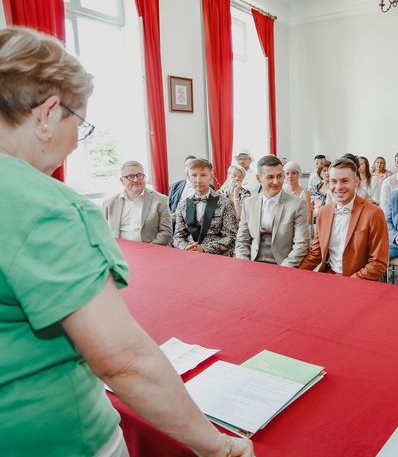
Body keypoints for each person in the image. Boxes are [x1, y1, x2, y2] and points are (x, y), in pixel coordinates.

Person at [0, 27, 252, 457]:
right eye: (79, 122)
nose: (78, 139)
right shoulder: (48, 207)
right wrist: (219, 447)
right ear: (48, 113)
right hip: (55, 437)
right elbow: (123, 360)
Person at [299, 158, 389, 281]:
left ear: (356, 181)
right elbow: (316, 254)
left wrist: (349, 283)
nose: (338, 187)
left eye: (345, 181)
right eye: (333, 181)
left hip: (360, 281)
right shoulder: (323, 212)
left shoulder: (374, 214)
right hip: (329, 277)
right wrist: (294, 273)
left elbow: (378, 263)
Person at [235, 156, 309, 267]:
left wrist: (284, 268)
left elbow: (302, 244)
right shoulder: (249, 203)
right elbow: (242, 240)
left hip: (284, 265)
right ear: (258, 178)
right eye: (270, 177)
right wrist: (244, 264)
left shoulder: (297, 204)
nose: (276, 181)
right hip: (253, 263)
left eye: (279, 176)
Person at [173, 159, 238, 255]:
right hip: (189, 254)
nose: (198, 180)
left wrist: (204, 248)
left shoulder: (226, 203)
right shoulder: (182, 205)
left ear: (211, 176)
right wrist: (186, 247)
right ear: (188, 177)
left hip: (217, 256)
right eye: (194, 175)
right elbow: (178, 236)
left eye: (203, 175)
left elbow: (230, 236)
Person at [102, 161, 172, 245]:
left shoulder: (160, 200)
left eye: (139, 175)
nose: (136, 180)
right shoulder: (109, 204)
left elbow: (166, 233)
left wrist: (147, 250)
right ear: (122, 180)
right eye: (130, 177)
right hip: (120, 252)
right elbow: (102, 233)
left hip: (150, 251)